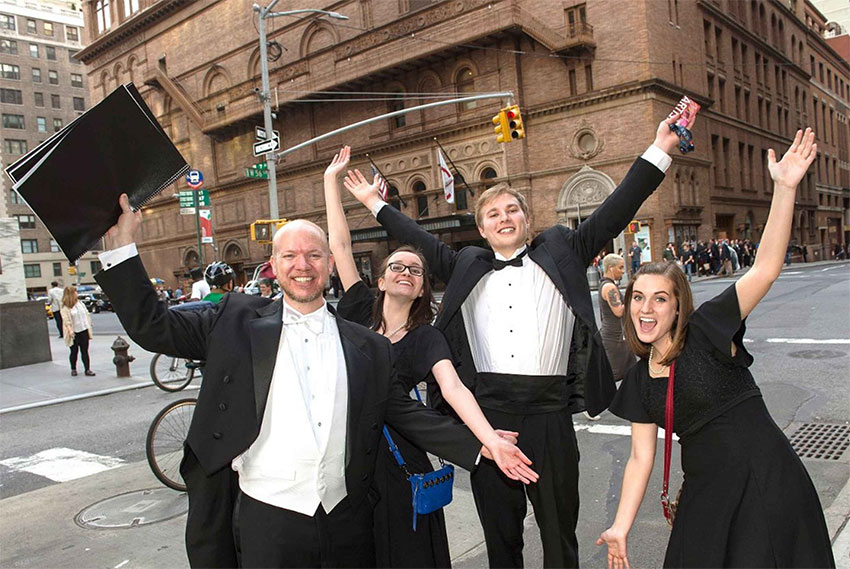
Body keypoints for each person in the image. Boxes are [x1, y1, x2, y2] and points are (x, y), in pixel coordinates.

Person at [95, 194, 529, 569]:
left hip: (346, 517)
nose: (303, 266)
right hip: (268, 517)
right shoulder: (234, 318)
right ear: (273, 266)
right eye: (290, 256)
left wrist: (483, 444)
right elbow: (153, 327)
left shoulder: (366, 346)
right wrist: (121, 252)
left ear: (328, 265)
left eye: (314, 256)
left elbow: (404, 412)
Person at [344, 112, 683, 568]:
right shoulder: (465, 263)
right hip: (490, 415)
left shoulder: (563, 248)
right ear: (481, 229)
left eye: (512, 210)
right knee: (501, 538)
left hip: (550, 415)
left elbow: (615, 211)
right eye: (492, 214)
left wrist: (659, 148)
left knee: (559, 533)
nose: (504, 218)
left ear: (527, 219)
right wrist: (373, 202)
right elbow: (416, 236)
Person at [597, 128, 835, 569]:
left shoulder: (706, 331)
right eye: (637, 297)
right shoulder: (636, 380)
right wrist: (621, 526)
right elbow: (639, 459)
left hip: (765, 482)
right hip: (706, 497)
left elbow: (764, 270)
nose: (646, 309)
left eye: (660, 298)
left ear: (677, 306)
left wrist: (784, 188)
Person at [324, 147, 537, 567]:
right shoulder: (356, 311)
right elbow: (340, 246)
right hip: (350, 449)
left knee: (408, 550)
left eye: (416, 270)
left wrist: (488, 437)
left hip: (401, 453)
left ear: (423, 288)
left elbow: (453, 388)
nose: (406, 272)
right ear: (381, 280)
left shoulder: (426, 338)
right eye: (397, 267)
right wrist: (332, 183)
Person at [598, 254, 636, 382]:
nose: (623, 271)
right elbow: (619, 311)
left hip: (618, 337)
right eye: (620, 268)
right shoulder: (609, 287)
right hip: (614, 339)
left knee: (630, 373)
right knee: (615, 376)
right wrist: (633, 300)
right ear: (610, 268)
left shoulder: (607, 285)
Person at [59, 286, 95, 377]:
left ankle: (87, 369)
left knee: (85, 351)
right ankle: (73, 369)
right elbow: (66, 320)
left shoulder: (80, 303)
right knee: (74, 351)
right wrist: (70, 331)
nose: (77, 294)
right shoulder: (65, 306)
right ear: (70, 294)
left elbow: (86, 314)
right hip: (74, 332)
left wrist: (89, 324)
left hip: (83, 329)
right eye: (75, 292)